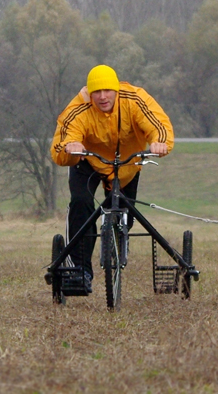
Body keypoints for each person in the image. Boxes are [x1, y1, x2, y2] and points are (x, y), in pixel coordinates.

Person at [50, 64, 174, 292]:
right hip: (87, 160)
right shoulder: (79, 108)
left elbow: (159, 125)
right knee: (81, 204)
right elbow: (61, 142)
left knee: (127, 214)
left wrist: (159, 142)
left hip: (126, 164)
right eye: (96, 91)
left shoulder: (135, 99)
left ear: (117, 90)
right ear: (89, 92)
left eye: (107, 90)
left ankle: (118, 239)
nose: (102, 96)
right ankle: (80, 271)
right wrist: (70, 147)